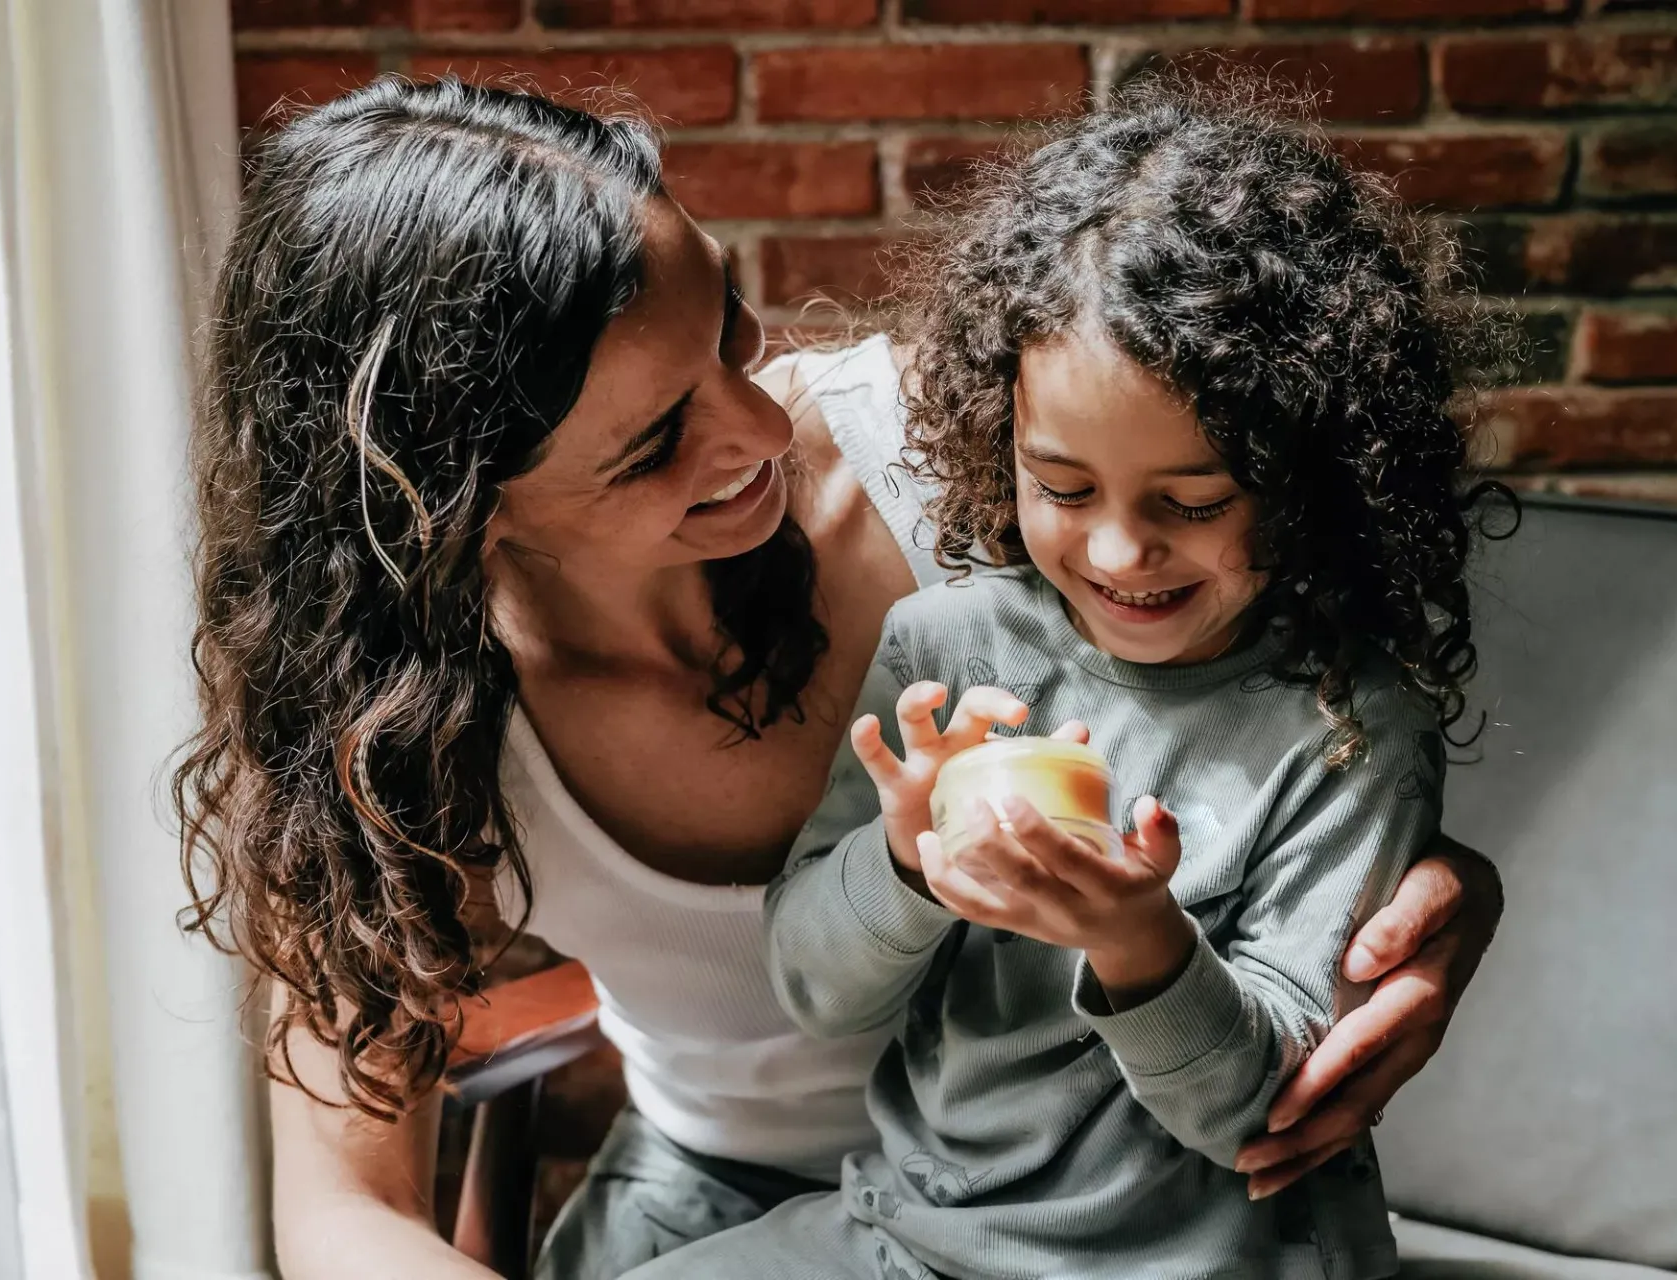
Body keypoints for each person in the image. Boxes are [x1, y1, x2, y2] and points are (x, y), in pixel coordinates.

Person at [173, 75, 1506, 1280]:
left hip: (1127, 1214)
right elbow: (344, 1215)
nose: (760, 429)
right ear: (457, 510)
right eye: (652, 445)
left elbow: (1315, 665)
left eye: (733, 338)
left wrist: (1446, 893)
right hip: (748, 1203)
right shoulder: (387, 721)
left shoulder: (990, 457)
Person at [625, 79, 1516, 1280]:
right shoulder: (948, 650)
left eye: (1191, 501)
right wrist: (902, 860)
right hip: (919, 1234)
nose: (1116, 551)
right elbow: (816, 991)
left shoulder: (1346, 723)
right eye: (1064, 486)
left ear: (1311, 475)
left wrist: (1138, 933)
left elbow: (1264, 1117)